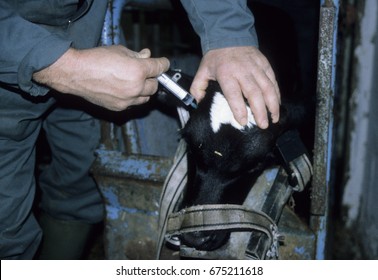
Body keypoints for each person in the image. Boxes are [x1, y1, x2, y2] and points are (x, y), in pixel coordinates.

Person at [0, 0, 280, 259]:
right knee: (6, 229)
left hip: (89, 41)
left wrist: (228, 35)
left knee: (82, 184)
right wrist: (62, 66)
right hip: (9, 60)